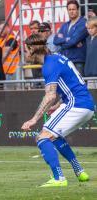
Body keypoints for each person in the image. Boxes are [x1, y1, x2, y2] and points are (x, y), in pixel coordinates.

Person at [21, 34, 95, 187]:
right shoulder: (57, 58)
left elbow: (49, 96)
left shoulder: (49, 66)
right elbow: (71, 84)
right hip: (84, 104)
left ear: (33, 49)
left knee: (42, 137)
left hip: (76, 104)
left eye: (26, 51)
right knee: (54, 136)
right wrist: (57, 106)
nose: (26, 55)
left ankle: (59, 178)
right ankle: (79, 171)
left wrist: (34, 119)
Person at [53, 0, 88, 76]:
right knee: (69, 86)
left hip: (78, 61)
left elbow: (73, 41)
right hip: (66, 60)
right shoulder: (65, 25)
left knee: (79, 86)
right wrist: (67, 39)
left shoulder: (83, 23)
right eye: (69, 9)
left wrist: (62, 43)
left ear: (78, 10)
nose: (71, 11)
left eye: (73, 9)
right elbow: (55, 40)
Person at [84, 16, 97, 88]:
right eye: (88, 28)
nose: (90, 30)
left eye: (92, 28)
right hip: (89, 74)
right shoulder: (87, 39)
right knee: (92, 95)